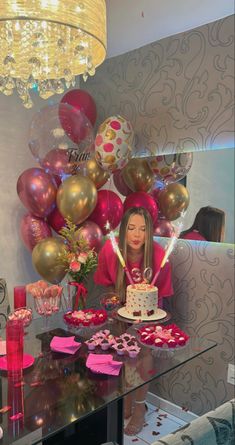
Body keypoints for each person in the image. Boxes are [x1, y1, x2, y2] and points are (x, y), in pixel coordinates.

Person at [94, 206, 173, 436]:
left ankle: (139, 408)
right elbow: (107, 285)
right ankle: (127, 399)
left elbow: (162, 297)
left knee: (141, 355)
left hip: (150, 314)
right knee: (122, 355)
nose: (137, 234)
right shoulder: (111, 251)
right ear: (123, 230)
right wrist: (115, 304)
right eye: (131, 228)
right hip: (120, 313)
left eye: (142, 229)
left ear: (149, 232)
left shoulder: (159, 256)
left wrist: (142, 321)